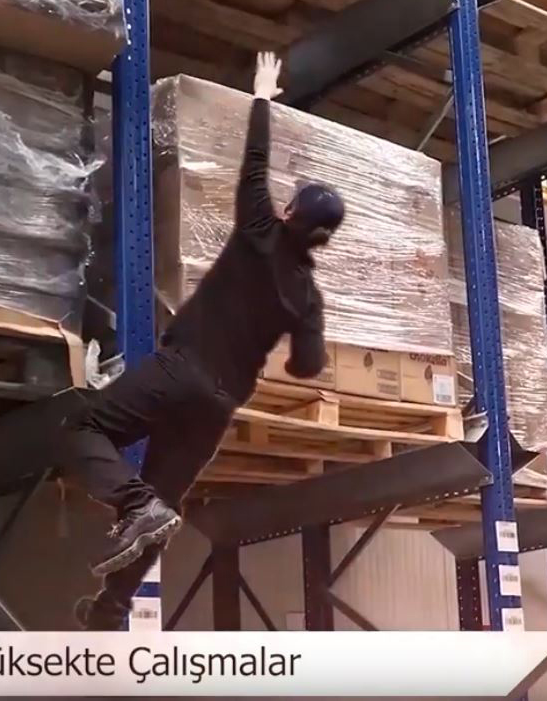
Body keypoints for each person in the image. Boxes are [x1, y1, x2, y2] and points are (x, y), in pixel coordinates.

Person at [57, 52, 346, 629]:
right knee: (165, 503)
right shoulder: (309, 298)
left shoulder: (259, 230)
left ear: (289, 210)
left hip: (181, 369)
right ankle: (110, 610)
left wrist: (261, 95)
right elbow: (307, 368)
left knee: (80, 430)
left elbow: (254, 164)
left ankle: (133, 503)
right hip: (218, 405)